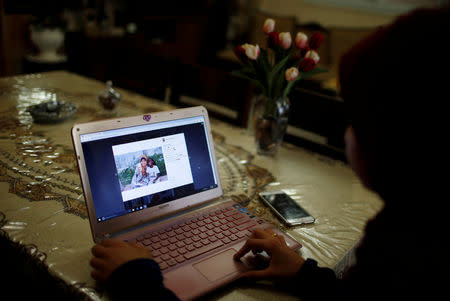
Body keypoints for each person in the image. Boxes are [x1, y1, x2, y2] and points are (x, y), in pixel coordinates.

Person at [89, 6, 450, 300]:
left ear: (393, 148)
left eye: (355, 117)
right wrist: (305, 274)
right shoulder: (419, 237)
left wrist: (138, 280)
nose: (347, 131)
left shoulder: (401, 260)